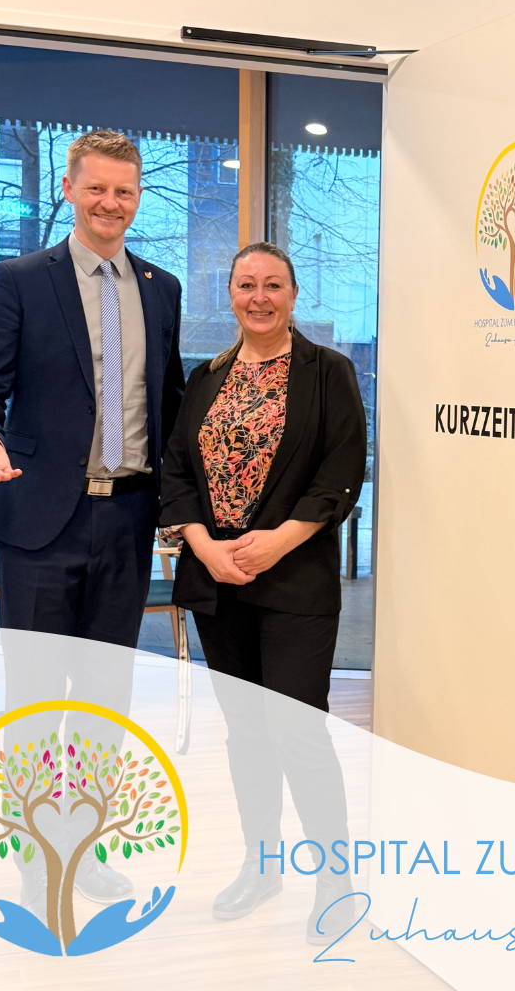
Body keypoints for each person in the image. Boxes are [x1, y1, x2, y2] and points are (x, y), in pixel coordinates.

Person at [0, 130, 185, 911]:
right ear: (69, 189)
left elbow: (169, 399)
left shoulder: (160, 287)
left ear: (137, 197)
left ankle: (83, 847)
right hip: (41, 519)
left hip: (128, 518)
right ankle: (30, 854)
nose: (110, 203)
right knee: (34, 698)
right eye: (97, 189)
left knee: (103, 700)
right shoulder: (20, 279)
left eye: (124, 191)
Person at [159, 240, 366, 943]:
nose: (259, 297)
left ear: (294, 294)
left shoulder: (327, 372)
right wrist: (204, 546)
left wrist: (279, 540)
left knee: (297, 731)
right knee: (247, 731)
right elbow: (177, 470)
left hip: (295, 580)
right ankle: (262, 865)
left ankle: (336, 882)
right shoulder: (205, 378)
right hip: (219, 583)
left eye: (272, 285)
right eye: (246, 285)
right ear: (230, 295)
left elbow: (342, 470)